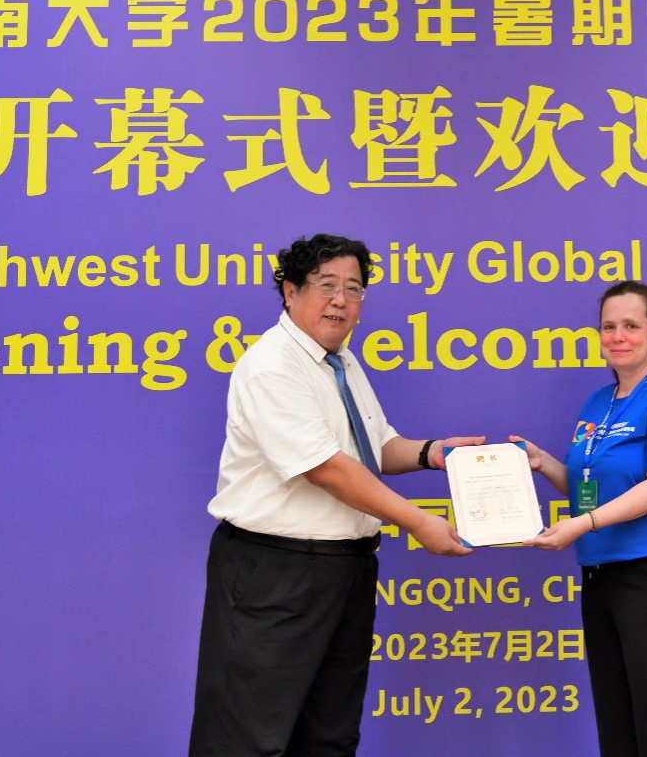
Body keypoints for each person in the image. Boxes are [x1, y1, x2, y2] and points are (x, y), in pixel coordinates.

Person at [189, 233, 482, 757]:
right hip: (276, 573)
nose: (341, 300)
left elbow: (373, 447)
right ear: (290, 291)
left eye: (354, 288)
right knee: (247, 739)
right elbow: (327, 468)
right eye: (326, 285)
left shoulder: (340, 362)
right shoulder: (274, 364)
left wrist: (432, 453)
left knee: (330, 737)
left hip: (344, 571)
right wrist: (417, 521)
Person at [518, 281, 647, 757]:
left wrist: (581, 526)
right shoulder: (598, 402)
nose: (618, 336)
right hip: (600, 575)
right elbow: (589, 490)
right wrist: (543, 463)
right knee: (618, 728)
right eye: (608, 326)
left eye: (631, 326)